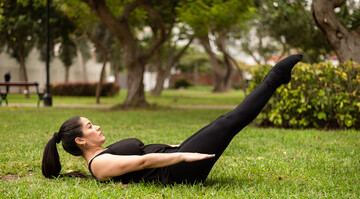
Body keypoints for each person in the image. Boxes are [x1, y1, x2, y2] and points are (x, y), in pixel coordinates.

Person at [42, 54, 303, 185]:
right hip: (178, 170)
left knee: (223, 122)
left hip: (177, 157)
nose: (96, 126)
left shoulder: (103, 154)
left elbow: (146, 156)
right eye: (89, 126)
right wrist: (183, 156)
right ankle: (276, 77)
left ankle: (277, 78)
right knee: (230, 121)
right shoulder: (99, 165)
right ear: (80, 140)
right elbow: (144, 160)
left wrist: (178, 147)